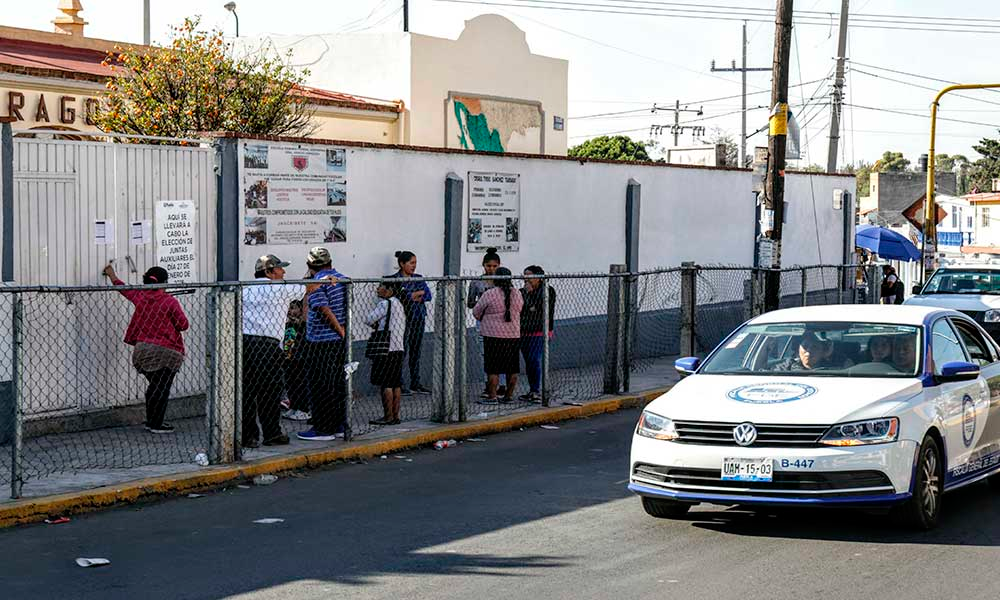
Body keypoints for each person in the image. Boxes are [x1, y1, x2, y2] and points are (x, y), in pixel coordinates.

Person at [103, 263, 189, 434]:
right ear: (164, 282)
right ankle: (156, 423)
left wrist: (112, 275)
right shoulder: (170, 301)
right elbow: (183, 325)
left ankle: (152, 421)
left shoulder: (141, 297)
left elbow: (124, 289)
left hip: (142, 351)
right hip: (166, 352)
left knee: (155, 386)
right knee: (161, 388)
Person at [240, 255, 305, 448]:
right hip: (268, 345)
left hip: (245, 343)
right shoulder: (280, 288)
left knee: (247, 392)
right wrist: (321, 279)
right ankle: (272, 433)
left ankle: (248, 436)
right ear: (268, 272)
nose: (283, 272)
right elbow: (307, 288)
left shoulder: (245, 289)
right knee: (269, 391)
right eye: (279, 269)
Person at [298, 247, 349, 442]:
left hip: (321, 340)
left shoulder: (317, 283)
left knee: (320, 385)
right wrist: (343, 332)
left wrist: (339, 330)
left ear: (310, 265)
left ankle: (323, 428)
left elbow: (323, 309)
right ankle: (338, 424)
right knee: (336, 383)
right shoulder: (342, 279)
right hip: (337, 342)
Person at [473, 266, 524, 403]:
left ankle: (492, 396)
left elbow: (476, 311)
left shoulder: (490, 294)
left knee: (493, 367)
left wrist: (486, 318)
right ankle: (508, 396)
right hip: (513, 335)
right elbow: (520, 309)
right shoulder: (517, 293)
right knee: (512, 367)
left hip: (492, 335)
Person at [364, 280, 407, 425]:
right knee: (396, 382)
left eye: (381, 286)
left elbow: (369, 319)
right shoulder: (399, 304)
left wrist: (375, 324)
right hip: (398, 347)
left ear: (389, 290)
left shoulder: (384, 304)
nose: (378, 289)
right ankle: (395, 415)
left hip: (386, 347)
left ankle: (387, 415)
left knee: (386, 383)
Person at [393, 251, 433, 396]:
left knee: (416, 350)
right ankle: (400, 382)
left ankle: (415, 382)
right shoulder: (395, 280)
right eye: (411, 263)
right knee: (401, 351)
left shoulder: (418, 278)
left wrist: (413, 296)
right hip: (401, 320)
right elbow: (400, 297)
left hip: (418, 317)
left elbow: (428, 295)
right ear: (402, 264)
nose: (414, 266)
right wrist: (414, 295)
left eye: (415, 263)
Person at [468, 248, 502, 398]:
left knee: (500, 353)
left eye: (494, 266)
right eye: (488, 266)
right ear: (483, 265)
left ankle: (500, 384)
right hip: (482, 322)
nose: (491, 269)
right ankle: (487, 384)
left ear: (499, 266)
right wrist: (481, 303)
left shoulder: (503, 281)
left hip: (500, 322)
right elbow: (470, 302)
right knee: (484, 353)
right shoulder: (476, 282)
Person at [519, 265, 556, 403]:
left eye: (529, 276)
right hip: (524, 331)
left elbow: (538, 308)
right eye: (524, 276)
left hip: (540, 331)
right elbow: (522, 310)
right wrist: (530, 306)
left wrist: (530, 297)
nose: (526, 279)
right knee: (529, 361)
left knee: (534, 359)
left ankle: (536, 390)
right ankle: (532, 389)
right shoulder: (521, 292)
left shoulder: (548, 291)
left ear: (539, 278)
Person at [281, 300, 312, 422]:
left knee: (300, 383)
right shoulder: (287, 324)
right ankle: (293, 406)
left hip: (300, 358)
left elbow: (304, 318)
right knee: (290, 383)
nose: (290, 311)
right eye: (289, 308)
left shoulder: (303, 324)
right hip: (288, 357)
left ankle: (303, 409)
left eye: (294, 308)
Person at [771, 333, 850, 371]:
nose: (808, 351)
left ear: (823, 351)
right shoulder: (786, 367)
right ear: (798, 350)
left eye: (814, 347)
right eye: (805, 347)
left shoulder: (840, 365)